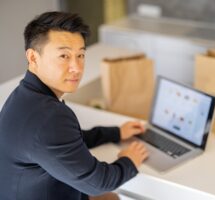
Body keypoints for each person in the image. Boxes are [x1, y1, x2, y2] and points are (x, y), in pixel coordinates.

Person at [0, 11, 148, 200]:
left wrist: (116, 133)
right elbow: (98, 183)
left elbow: (67, 140)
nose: (77, 67)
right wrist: (129, 161)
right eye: (64, 56)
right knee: (111, 196)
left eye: (80, 55)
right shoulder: (48, 116)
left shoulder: (25, 96)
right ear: (33, 58)